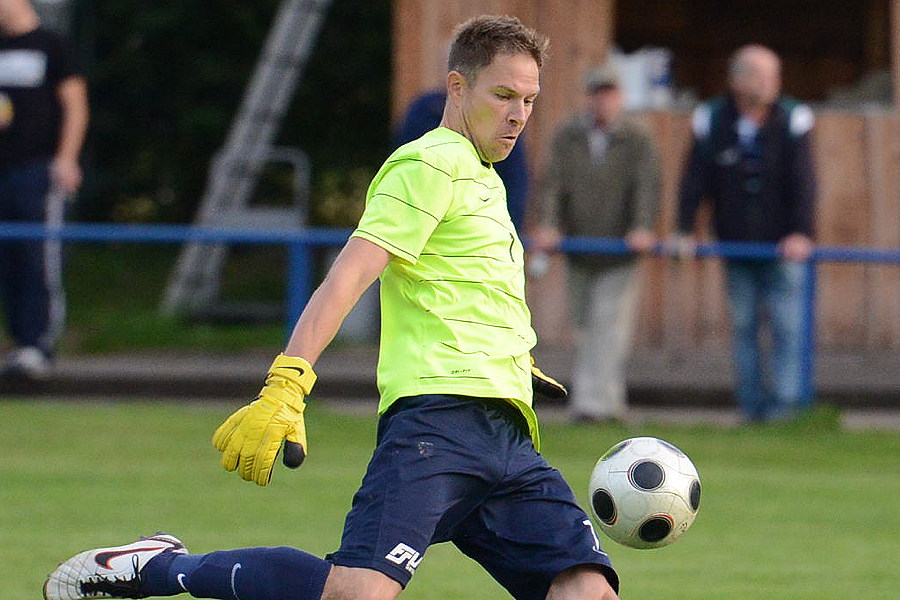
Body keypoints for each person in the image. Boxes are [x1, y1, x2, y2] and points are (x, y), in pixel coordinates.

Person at [44, 15, 620, 600]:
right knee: (355, 593)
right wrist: (288, 381)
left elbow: (466, 286)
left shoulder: (486, 178)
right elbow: (349, 275)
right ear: (457, 87)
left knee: (588, 591)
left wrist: (511, 358)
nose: (519, 114)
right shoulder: (428, 164)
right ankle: (159, 567)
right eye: (503, 95)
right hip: (439, 424)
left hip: (509, 435)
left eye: (529, 100)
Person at [675, 44, 817, 423]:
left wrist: (802, 231)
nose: (770, 83)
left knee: (788, 325)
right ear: (736, 80)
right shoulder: (712, 118)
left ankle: (787, 410)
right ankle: (751, 408)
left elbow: (804, 180)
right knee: (744, 326)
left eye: (774, 75)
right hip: (735, 244)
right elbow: (694, 178)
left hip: (782, 246)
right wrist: (685, 228)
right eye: (760, 75)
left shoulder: (793, 117)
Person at [531, 64, 660, 424]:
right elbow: (552, 184)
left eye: (609, 93)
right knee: (584, 326)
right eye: (596, 93)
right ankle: (608, 401)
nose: (602, 101)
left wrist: (641, 227)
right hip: (579, 248)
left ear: (620, 97)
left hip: (620, 251)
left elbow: (647, 186)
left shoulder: (637, 137)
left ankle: (593, 404)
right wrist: (549, 225)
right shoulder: (568, 134)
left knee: (609, 325)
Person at [0, 0, 88, 379]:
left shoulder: (52, 45)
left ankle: (38, 343)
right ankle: (18, 342)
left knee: (38, 258)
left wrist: (67, 158)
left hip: (37, 169)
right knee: (7, 261)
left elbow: (75, 105)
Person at [393, 88, 530, 230]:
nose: (520, 117)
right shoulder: (426, 113)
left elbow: (516, 185)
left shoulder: (499, 148)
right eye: (502, 96)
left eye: (528, 101)